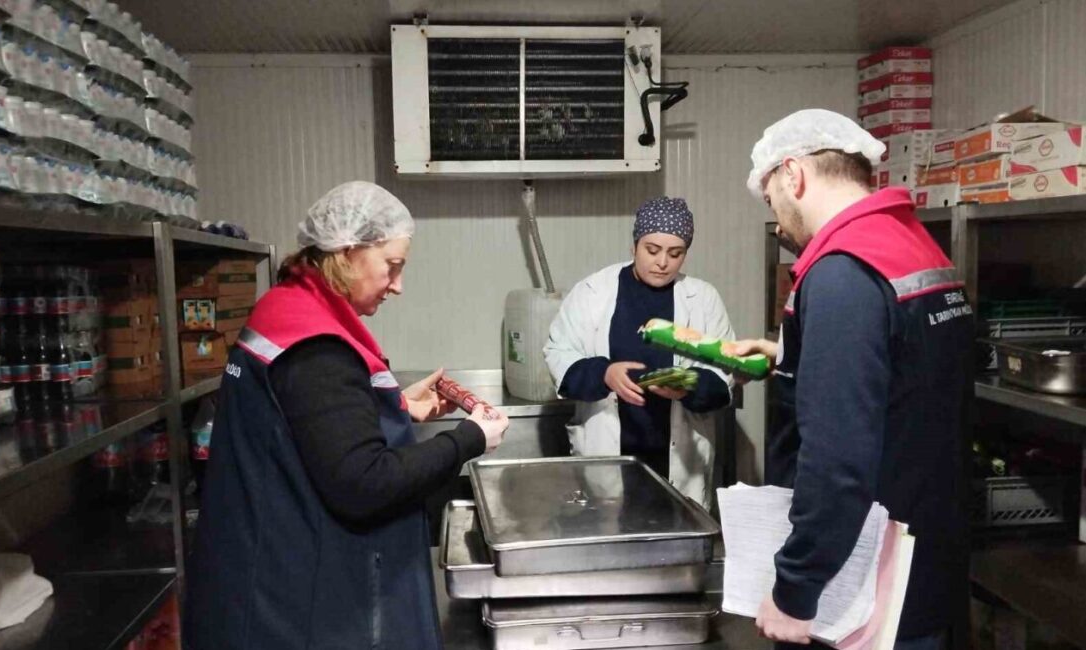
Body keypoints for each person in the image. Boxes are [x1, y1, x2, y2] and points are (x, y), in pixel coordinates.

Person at [184, 181, 509, 650]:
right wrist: (469, 438)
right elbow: (364, 483)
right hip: (304, 603)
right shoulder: (316, 346)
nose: (398, 285)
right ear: (347, 251)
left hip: (266, 566)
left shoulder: (285, 307)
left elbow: (308, 423)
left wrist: (393, 406)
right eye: (391, 266)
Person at [732, 109, 972, 649]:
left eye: (772, 200)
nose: (778, 222)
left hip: (867, 578)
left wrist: (796, 588)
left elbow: (837, 455)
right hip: (929, 554)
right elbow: (904, 378)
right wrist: (789, 355)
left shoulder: (842, 271)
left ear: (793, 175)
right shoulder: (912, 245)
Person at [544, 196, 735, 508]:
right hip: (608, 456)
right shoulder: (593, 292)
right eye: (652, 250)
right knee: (609, 542)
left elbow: (723, 374)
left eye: (675, 254)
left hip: (678, 460)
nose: (662, 262)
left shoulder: (703, 298)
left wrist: (687, 384)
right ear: (634, 246)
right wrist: (604, 373)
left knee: (677, 542)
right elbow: (557, 353)